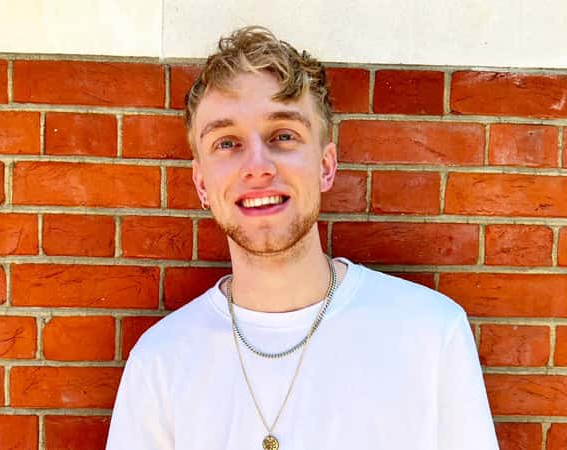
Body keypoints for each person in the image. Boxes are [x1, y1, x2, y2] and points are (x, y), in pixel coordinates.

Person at [107, 26, 498, 450]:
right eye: (227, 142)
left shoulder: (431, 335)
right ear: (201, 184)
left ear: (326, 166)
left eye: (283, 136)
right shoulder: (162, 361)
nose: (257, 166)